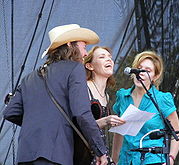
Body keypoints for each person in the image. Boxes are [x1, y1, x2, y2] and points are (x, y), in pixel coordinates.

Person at [3, 24, 108, 165]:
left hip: (25, 155)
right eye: (83, 47)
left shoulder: (29, 78)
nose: (85, 54)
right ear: (70, 45)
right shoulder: (75, 69)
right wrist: (100, 150)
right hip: (56, 153)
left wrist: (39, 122)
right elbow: (82, 113)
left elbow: (10, 112)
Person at [112, 51, 179, 165]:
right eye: (138, 68)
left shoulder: (162, 99)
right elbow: (119, 132)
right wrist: (114, 160)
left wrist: (171, 158)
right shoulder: (122, 96)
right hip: (126, 160)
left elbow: (177, 133)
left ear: (155, 76)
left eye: (147, 71)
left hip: (153, 159)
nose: (141, 73)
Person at [84, 46, 126, 164]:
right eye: (102, 57)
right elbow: (80, 125)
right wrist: (105, 121)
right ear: (90, 66)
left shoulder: (106, 95)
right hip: (85, 152)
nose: (108, 60)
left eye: (110, 57)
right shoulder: (84, 88)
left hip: (101, 152)